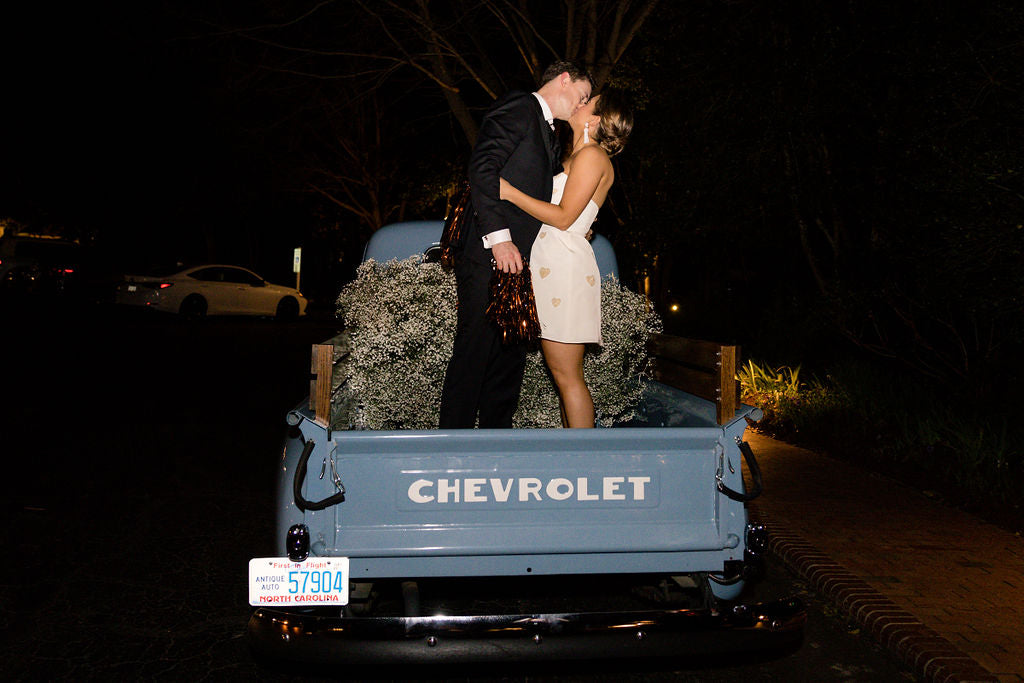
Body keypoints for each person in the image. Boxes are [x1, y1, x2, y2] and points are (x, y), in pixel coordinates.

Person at [439, 61, 593, 429]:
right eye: (582, 95)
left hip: (521, 263)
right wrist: (500, 240)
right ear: (564, 79)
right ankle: (451, 449)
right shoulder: (521, 106)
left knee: (507, 360)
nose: (581, 103)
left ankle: (497, 444)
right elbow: (483, 168)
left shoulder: (550, 133)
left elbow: (553, 198)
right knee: (475, 352)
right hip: (491, 253)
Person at [498, 89, 634, 428]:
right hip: (550, 267)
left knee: (568, 376)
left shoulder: (592, 156)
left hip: (564, 269)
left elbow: (563, 218)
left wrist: (509, 192)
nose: (580, 102)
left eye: (588, 102)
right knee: (563, 377)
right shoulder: (577, 155)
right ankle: (571, 452)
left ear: (595, 119)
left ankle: (584, 463)